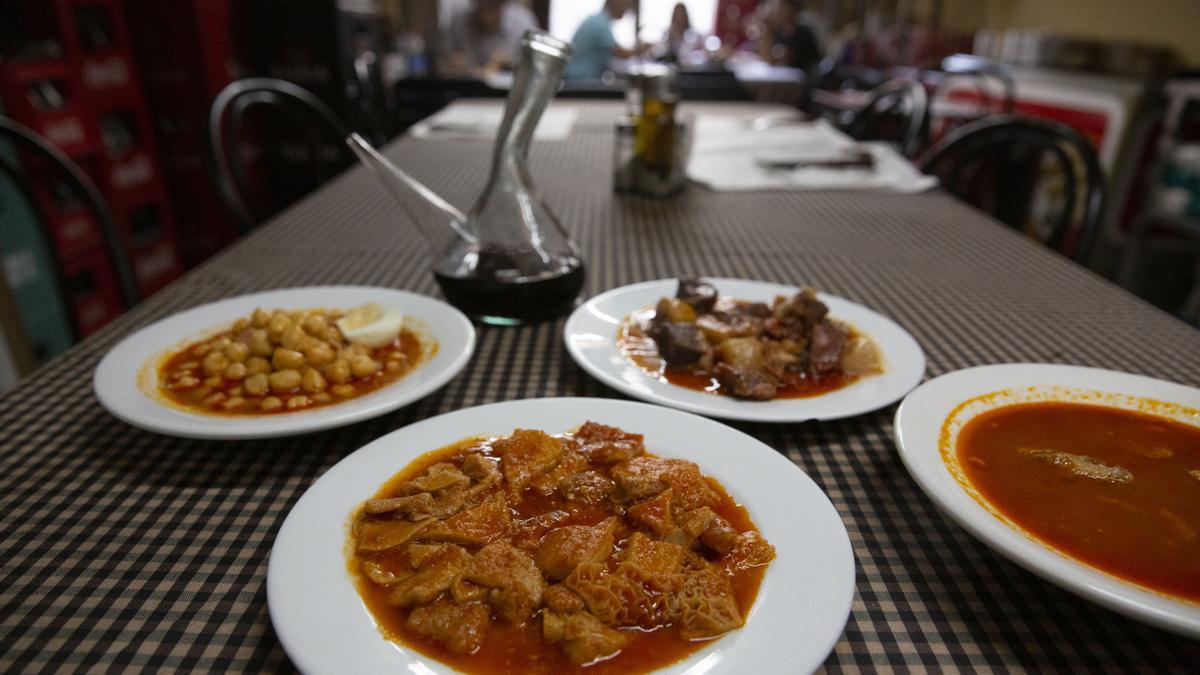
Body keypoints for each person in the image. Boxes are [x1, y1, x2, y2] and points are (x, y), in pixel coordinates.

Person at [442, 0, 538, 77]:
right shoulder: (459, 21)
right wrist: (454, 63)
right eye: (481, 7)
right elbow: (446, 62)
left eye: (492, 8)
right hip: (468, 88)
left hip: (506, 89)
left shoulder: (523, 23)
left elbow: (534, 66)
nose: (485, 16)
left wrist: (511, 63)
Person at [564, 0, 641, 80]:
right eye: (626, 3)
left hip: (577, 79)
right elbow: (622, 54)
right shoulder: (599, 24)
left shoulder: (597, 19)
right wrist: (640, 49)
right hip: (578, 81)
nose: (627, 8)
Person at [756, 0, 821, 72]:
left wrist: (767, 30)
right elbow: (765, 58)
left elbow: (776, 60)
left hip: (804, 80)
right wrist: (766, 30)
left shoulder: (803, 33)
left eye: (779, 5)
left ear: (790, 8)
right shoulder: (779, 31)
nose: (774, 9)